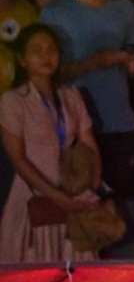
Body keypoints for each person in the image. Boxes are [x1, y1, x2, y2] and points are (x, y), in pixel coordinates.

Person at [37, 0, 134, 197]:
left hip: (119, 123)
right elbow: (48, 75)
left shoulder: (125, 8)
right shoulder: (56, 14)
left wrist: (133, 64)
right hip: (75, 128)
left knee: (122, 203)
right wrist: (93, 63)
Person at [0, 20, 99, 264]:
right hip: (32, 196)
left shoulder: (71, 96)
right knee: (31, 269)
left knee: (77, 270)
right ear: (22, 59)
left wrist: (92, 187)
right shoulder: (13, 101)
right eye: (36, 51)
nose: (46, 56)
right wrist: (57, 197)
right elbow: (18, 160)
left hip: (72, 191)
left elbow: (89, 145)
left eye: (51, 49)